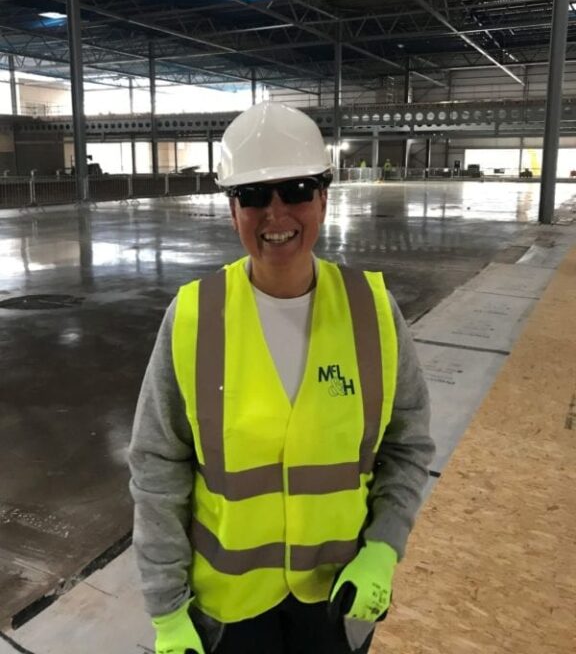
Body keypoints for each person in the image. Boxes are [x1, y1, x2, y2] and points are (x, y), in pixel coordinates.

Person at [129, 102, 435, 654]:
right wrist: (166, 610)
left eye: (295, 189)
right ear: (232, 208)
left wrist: (384, 549)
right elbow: (157, 469)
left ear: (323, 196)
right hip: (227, 614)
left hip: (338, 602)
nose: (276, 215)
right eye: (252, 196)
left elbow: (407, 447)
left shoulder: (373, 311)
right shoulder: (194, 316)